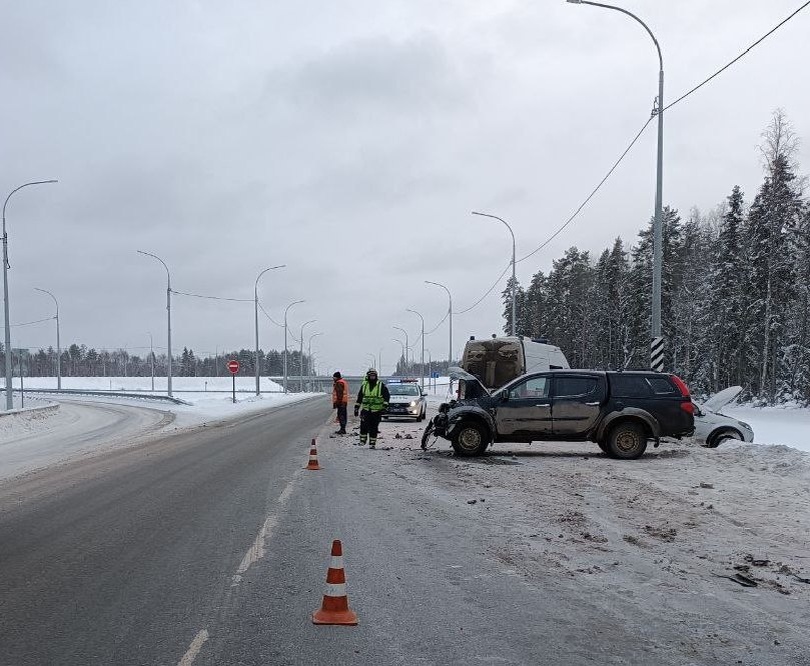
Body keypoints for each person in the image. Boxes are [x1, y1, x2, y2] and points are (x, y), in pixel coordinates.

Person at [353, 368, 390, 448]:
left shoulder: (381, 385)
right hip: (366, 410)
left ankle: (372, 443)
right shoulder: (364, 386)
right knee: (363, 426)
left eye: (374, 376)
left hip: (376, 411)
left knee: (374, 427)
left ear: (376, 376)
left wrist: (385, 407)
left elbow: (386, 396)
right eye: (371, 376)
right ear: (368, 376)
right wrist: (356, 408)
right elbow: (360, 398)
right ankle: (362, 441)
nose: (372, 377)